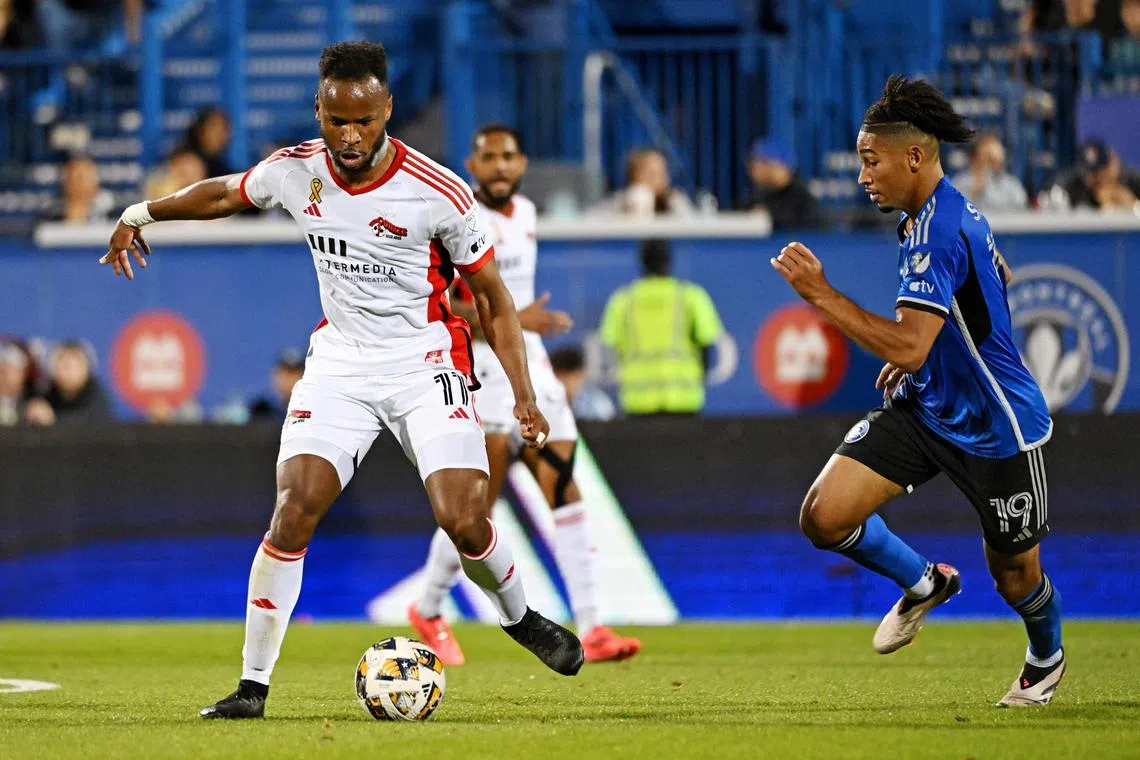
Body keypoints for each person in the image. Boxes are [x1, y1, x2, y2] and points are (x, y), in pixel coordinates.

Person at [99, 41, 583, 720]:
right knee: (293, 507)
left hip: (427, 363)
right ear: (319, 110)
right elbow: (222, 194)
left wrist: (524, 395)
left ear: (386, 108)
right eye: (336, 120)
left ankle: (521, 618)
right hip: (341, 364)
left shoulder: (439, 191)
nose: (350, 135)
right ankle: (252, 688)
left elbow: (495, 299)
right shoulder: (297, 171)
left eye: (364, 119)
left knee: (463, 517)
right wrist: (138, 214)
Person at [771, 75, 1062, 707]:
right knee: (825, 514)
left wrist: (822, 294)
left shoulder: (936, 228)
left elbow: (908, 342)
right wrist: (931, 354)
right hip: (929, 406)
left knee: (1015, 577)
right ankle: (924, 582)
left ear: (913, 157)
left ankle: (1046, 652)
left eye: (870, 161)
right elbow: (994, 273)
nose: (862, 176)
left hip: (996, 424)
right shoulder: (929, 215)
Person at [407, 125, 641, 665]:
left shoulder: (528, 213)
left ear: (522, 162)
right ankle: (429, 606)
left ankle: (592, 624)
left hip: (528, 362)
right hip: (478, 367)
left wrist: (523, 324)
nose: (500, 167)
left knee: (563, 481)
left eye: (508, 157)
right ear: (472, 162)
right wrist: (519, 316)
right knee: (477, 505)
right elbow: (440, 302)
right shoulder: (456, 215)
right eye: (489, 158)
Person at [599, 239, 724, 416]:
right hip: (684, 399)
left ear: (642, 262)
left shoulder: (622, 300)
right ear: (670, 261)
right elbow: (707, 344)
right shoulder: (692, 297)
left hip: (637, 401)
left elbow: (610, 347)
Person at [741, 138, 821, 230]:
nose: (753, 168)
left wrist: (768, 219)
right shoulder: (756, 196)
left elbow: (805, 232)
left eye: (762, 162)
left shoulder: (802, 200)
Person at [1040, 138, 1140, 211]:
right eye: (1089, 173)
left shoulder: (1131, 180)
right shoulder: (1073, 183)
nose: (1093, 179)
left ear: (1111, 165)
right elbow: (1043, 203)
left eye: (1098, 172)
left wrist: (1133, 205)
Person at [592, 148, 695, 217]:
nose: (661, 178)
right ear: (635, 175)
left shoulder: (676, 202)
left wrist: (675, 204)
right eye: (652, 173)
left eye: (662, 172)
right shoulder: (617, 203)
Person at [950, 133, 1029, 211]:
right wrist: (974, 191)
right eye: (989, 158)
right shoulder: (959, 183)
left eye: (998, 159)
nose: (995, 164)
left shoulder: (1011, 184)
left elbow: (1022, 209)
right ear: (974, 159)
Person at [41, 339, 113, 424]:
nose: (67, 373)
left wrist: (53, 420)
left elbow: (94, 425)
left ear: (86, 369)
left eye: (71, 366)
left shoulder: (97, 395)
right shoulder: (47, 391)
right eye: (62, 365)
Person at [549, 345, 616, 422]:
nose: (563, 383)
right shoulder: (544, 402)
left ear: (581, 375)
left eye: (568, 377)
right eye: (558, 377)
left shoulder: (598, 405)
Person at [248, 349, 305, 422]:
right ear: (275, 376)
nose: (289, 380)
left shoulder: (314, 412)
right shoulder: (261, 412)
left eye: (295, 373)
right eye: (286, 372)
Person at [184, 107, 234, 178]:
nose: (220, 134)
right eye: (214, 127)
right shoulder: (187, 163)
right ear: (200, 130)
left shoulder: (221, 167)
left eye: (224, 128)